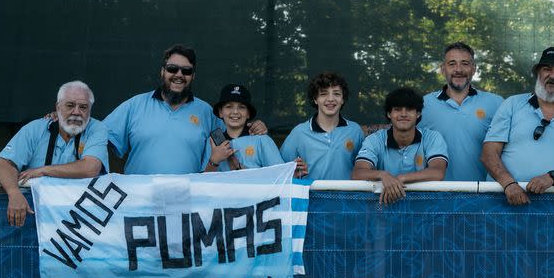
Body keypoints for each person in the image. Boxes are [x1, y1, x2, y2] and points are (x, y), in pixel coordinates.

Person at [103, 44, 265, 175]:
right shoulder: (134, 105)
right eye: (172, 69)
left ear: (193, 75)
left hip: (187, 206)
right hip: (140, 202)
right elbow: (100, 138)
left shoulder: (205, 112)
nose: (179, 74)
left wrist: (253, 127)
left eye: (186, 71)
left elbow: (230, 136)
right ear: (162, 71)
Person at [481, 47, 554, 205]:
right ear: (538, 74)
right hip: (502, 200)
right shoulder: (512, 104)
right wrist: (509, 184)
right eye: (547, 69)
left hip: (553, 207)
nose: (553, 76)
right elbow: (489, 153)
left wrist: (552, 177)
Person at [0, 81, 109, 227]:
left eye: (83, 107)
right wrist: (14, 192)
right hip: (34, 220)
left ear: (90, 110)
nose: (77, 112)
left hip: (82, 224)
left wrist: (43, 170)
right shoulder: (35, 128)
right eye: (70, 105)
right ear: (57, 107)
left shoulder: (97, 129)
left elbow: (90, 168)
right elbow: (2, 164)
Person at [419, 42, 504, 181]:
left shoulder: (496, 103)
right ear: (442, 69)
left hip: (484, 194)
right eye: (452, 64)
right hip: (435, 193)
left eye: (465, 63)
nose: (458, 69)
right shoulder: (423, 105)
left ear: (474, 69)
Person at [352, 87, 448, 204]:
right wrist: (383, 175)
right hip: (384, 211)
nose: (403, 114)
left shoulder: (432, 137)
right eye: (397, 109)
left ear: (418, 113)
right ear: (389, 114)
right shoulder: (374, 140)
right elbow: (358, 173)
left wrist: (400, 178)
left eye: (409, 109)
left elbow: (438, 172)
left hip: (424, 210)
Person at [280, 72, 364, 180]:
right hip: (311, 196)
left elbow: (364, 169)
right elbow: (281, 170)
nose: (330, 99)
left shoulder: (355, 130)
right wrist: (293, 173)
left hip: (347, 196)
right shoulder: (299, 132)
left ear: (343, 99)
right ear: (315, 99)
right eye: (324, 94)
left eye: (337, 94)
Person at [205, 84, 284, 171]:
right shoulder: (213, 142)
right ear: (220, 112)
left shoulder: (262, 140)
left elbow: (280, 175)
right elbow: (201, 182)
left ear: (248, 114)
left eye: (241, 107)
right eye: (229, 106)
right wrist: (214, 161)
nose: (235, 111)